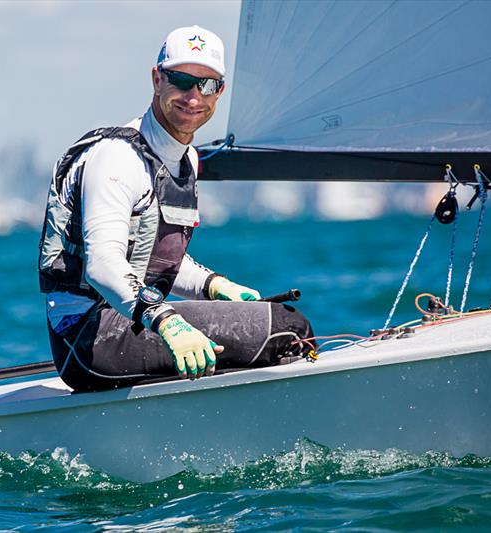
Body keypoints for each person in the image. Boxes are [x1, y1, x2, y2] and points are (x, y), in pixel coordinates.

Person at [37, 25, 314, 392]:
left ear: (221, 91)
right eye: (181, 80)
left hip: (126, 321)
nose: (194, 96)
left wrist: (215, 287)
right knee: (289, 329)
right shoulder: (119, 157)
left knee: (268, 323)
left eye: (208, 85)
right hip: (87, 337)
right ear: (156, 79)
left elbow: (153, 254)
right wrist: (168, 321)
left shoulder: (186, 160)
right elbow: (104, 265)